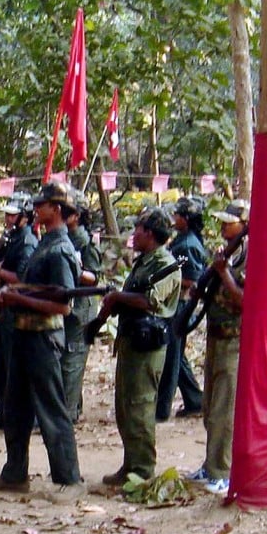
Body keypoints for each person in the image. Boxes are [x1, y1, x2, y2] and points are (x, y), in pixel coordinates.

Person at [0, 181, 84, 504]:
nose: (36, 209)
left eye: (43, 204)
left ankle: (69, 479)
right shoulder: (44, 243)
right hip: (24, 334)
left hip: (44, 336)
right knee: (15, 407)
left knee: (51, 409)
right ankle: (15, 473)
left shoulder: (60, 249)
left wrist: (17, 298)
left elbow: (62, 305)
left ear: (57, 209)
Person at [99, 208, 181, 487]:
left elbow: (150, 301)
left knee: (140, 406)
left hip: (148, 344)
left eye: (139, 230)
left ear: (151, 234)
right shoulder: (144, 262)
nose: (134, 234)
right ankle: (130, 464)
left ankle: (143, 470)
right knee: (125, 406)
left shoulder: (165, 264)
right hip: (131, 339)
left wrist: (118, 297)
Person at [187, 200, 248, 496]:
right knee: (211, 405)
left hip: (234, 339)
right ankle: (211, 464)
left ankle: (222, 470)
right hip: (215, 336)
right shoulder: (228, 252)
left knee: (225, 409)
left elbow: (245, 300)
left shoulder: (247, 255)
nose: (223, 226)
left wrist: (223, 272)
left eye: (229, 222)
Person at [0, 191, 38, 430]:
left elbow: (23, 278)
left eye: (13, 215)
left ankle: (17, 413)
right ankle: (3, 410)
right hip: (1, 308)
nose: (8, 219)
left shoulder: (27, 242)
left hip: (15, 308)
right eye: (7, 214)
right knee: (0, 361)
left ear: (25, 217)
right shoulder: (9, 239)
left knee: (13, 362)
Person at [156, 196, 206, 421]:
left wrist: (165, 278)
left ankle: (162, 408)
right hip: (175, 304)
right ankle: (194, 399)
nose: (173, 218)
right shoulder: (182, 240)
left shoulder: (187, 245)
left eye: (177, 215)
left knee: (171, 357)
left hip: (179, 305)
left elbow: (191, 279)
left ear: (186, 218)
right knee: (177, 355)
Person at [61, 189, 103, 423]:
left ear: (76, 215)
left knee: (72, 359)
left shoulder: (85, 242)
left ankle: (67, 413)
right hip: (67, 306)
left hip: (81, 308)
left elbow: (94, 277)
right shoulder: (65, 237)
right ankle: (71, 406)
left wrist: (73, 269)